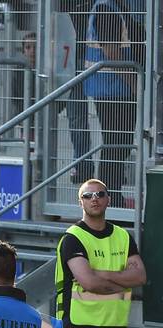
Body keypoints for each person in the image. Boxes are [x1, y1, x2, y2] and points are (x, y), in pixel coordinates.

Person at [53, 179, 147, 328]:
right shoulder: (73, 237)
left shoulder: (123, 236)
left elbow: (140, 277)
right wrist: (123, 285)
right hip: (78, 327)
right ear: (80, 202)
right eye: (87, 196)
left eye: (100, 194)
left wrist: (103, 273)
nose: (94, 199)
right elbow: (90, 283)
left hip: (115, 325)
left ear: (108, 199)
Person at [82, 0, 144, 208]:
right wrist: (135, 86)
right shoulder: (106, 9)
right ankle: (107, 198)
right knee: (115, 145)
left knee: (118, 144)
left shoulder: (115, 7)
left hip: (113, 89)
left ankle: (110, 195)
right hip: (113, 90)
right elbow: (112, 53)